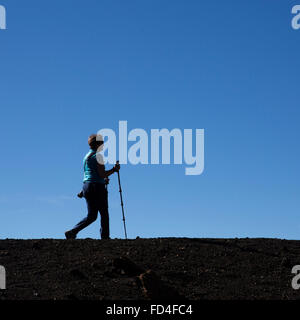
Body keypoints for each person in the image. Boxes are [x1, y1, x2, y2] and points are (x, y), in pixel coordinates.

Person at [65, 134, 120, 239]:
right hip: (97, 187)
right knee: (104, 213)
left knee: (92, 216)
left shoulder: (86, 157)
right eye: (102, 142)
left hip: (87, 187)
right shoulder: (98, 156)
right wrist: (114, 169)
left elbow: (90, 174)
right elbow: (102, 174)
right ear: (98, 144)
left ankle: (73, 231)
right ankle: (105, 237)